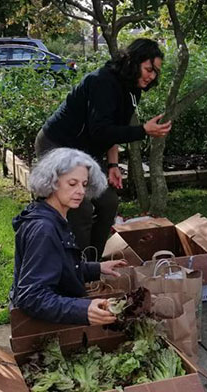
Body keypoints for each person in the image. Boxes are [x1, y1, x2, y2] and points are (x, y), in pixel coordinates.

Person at [35, 38, 172, 258]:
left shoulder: (132, 89)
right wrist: (143, 131)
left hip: (84, 153)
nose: (152, 76)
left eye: (155, 72)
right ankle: (77, 272)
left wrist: (113, 164)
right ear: (133, 61)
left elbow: (115, 128)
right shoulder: (102, 82)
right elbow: (101, 130)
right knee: (81, 210)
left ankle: (93, 263)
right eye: (148, 69)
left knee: (108, 202)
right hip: (58, 145)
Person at [10, 147, 127, 325]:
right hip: (44, 325)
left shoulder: (54, 216)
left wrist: (97, 268)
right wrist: (83, 310)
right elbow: (31, 296)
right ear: (52, 182)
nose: (81, 191)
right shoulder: (44, 229)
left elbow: (58, 266)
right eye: (72, 184)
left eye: (84, 184)